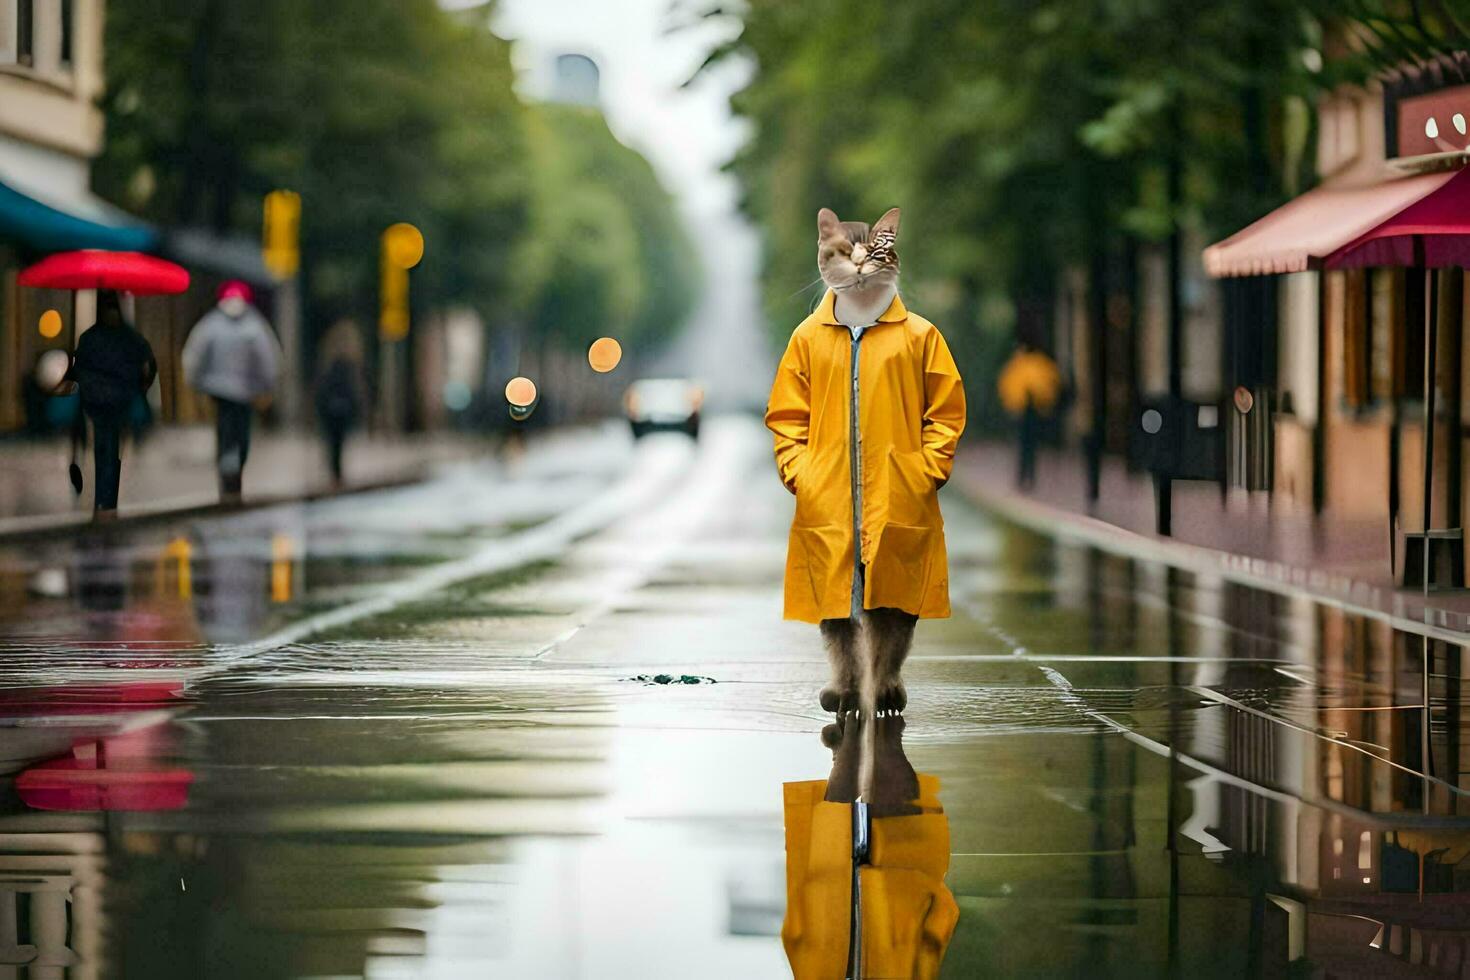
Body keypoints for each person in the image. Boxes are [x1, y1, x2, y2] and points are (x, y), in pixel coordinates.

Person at [766, 206, 966, 716]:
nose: (859, 269)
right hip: (829, 492)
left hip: (898, 490)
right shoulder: (807, 339)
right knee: (835, 596)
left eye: (870, 257)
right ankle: (846, 676)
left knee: (895, 596)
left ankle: (886, 674)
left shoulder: (920, 337)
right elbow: (787, 415)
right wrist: (801, 472)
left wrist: (926, 469)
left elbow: (946, 411)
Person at [182, 281, 282, 503]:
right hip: (245, 393)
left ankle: (226, 470)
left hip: (218, 392)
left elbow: (194, 356)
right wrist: (268, 386)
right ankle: (235, 470)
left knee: (224, 431)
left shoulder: (210, 325)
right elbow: (268, 360)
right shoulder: (255, 326)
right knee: (241, 433)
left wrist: (195, 382)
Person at [64, 290, 157, 520]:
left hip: (95, 401)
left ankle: (102, 499)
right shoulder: (130, 337)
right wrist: (140, 386)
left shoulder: (89, 337)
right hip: (120, 400)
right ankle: (108, 498)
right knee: (113, 447)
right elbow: (149, 364)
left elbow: (76, 371)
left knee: (102, 446)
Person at [996, 342, 1062, 490]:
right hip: (1027, 412)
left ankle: (1025, 478)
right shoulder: (1026, 366)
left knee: (1026, 447)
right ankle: (1025, 478)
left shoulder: (1027, 366)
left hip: (1030, 412)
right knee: (1027, 447)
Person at [313, 320, 367, 487]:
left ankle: (335, 472)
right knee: (336, 441)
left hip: (334, 408)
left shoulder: (333, 362)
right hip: (338, 408)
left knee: (334, 441)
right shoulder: (347, 364)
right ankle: (336, 473)